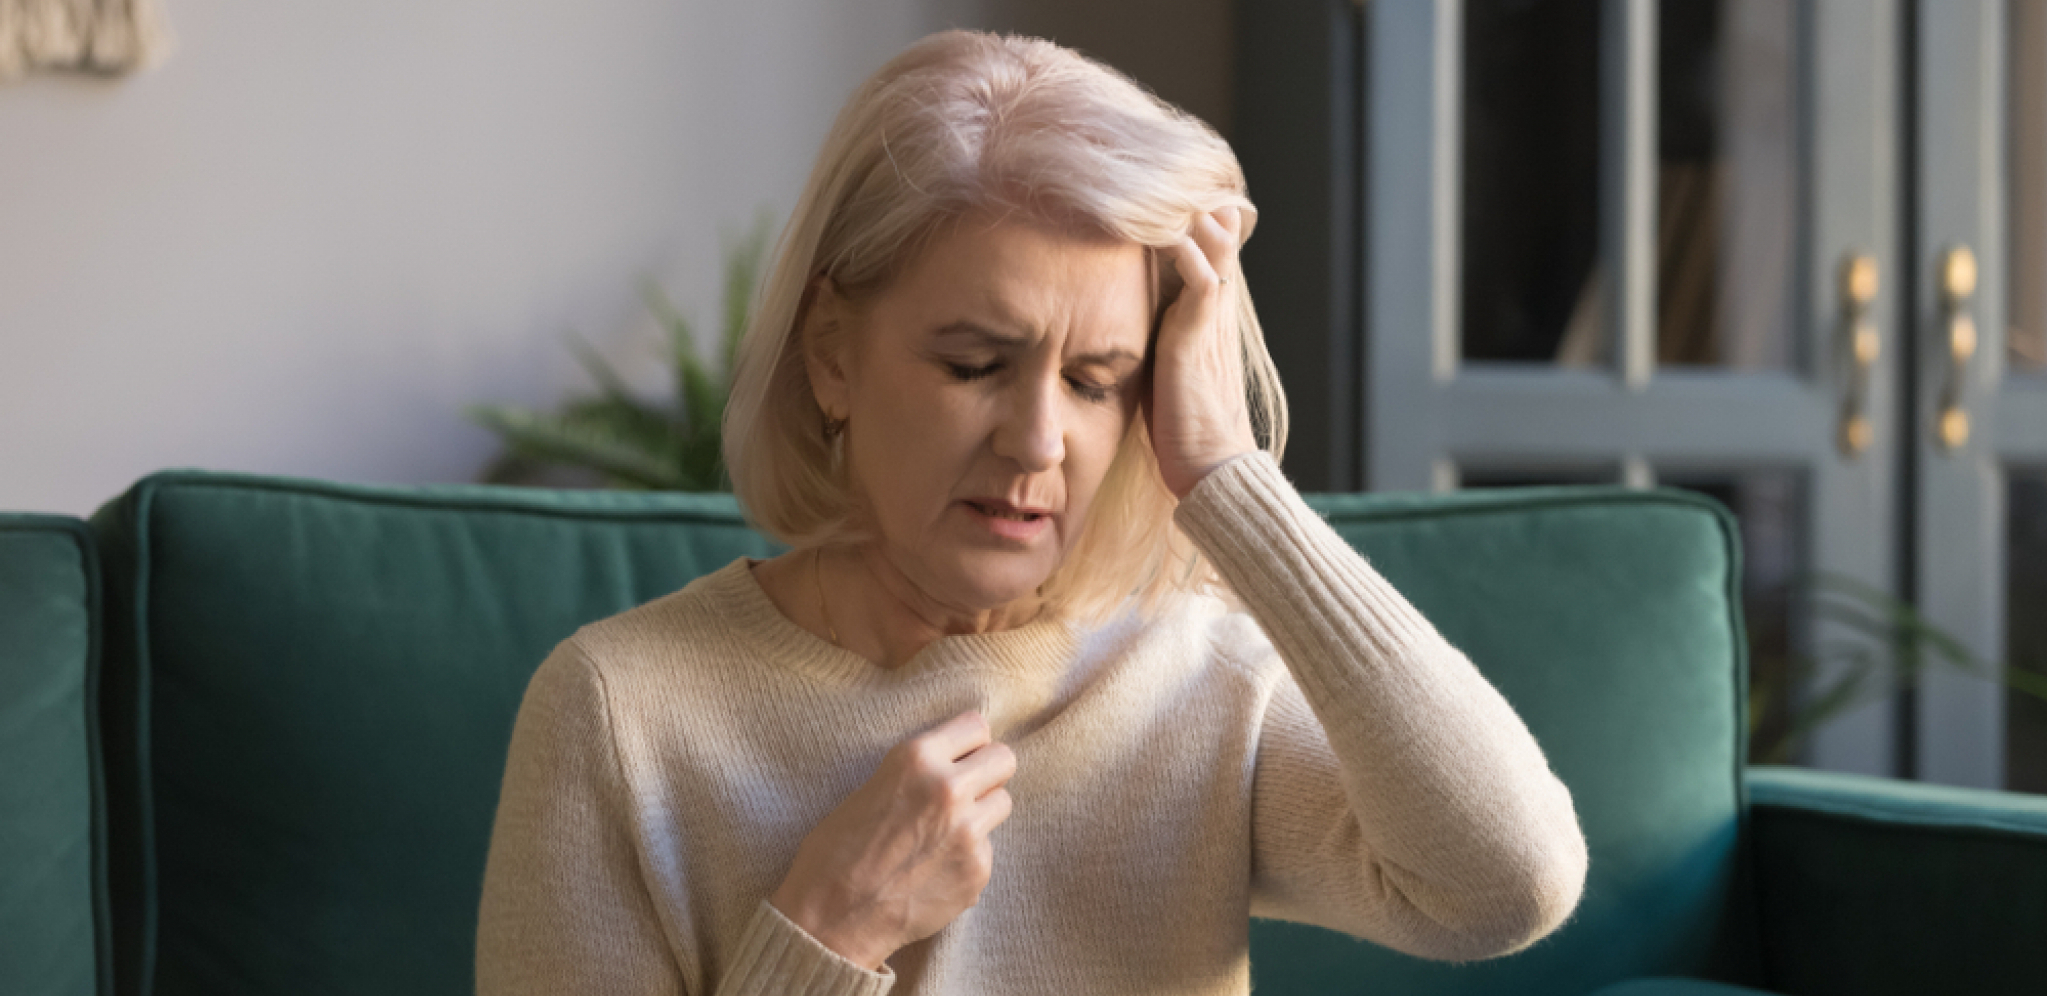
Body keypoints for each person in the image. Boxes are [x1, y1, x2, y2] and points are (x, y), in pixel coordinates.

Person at [475, 29, 1587, 995]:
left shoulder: (1199, 682)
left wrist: (1226, 477)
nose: (1038, 441)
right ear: (830, 356)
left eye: (1099, 380)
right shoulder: (617, 716)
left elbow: (1505, 884)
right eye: (973, 364)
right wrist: (828, 935)